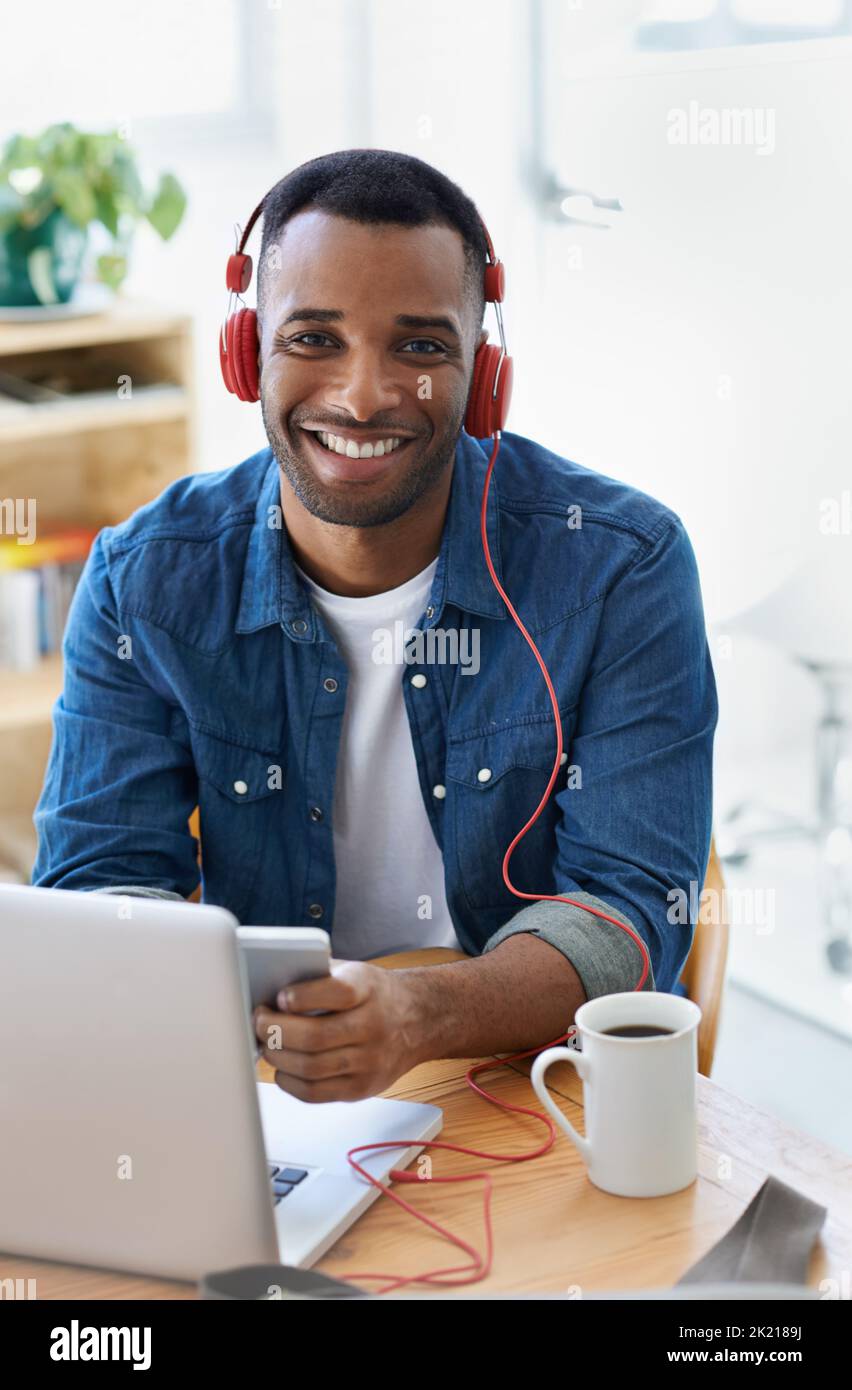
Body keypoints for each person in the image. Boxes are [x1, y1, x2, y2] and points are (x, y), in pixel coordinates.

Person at [32, 149, 718, 1101]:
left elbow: (630, 911)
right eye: (313, 337)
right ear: (247, 354)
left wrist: (417, 1016)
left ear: (485, 375)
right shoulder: (143, 580)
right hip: (268, 1099)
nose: (361, 397)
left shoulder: (620, 566)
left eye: (422, 347)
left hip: (532, 1086)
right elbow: (97, 899)